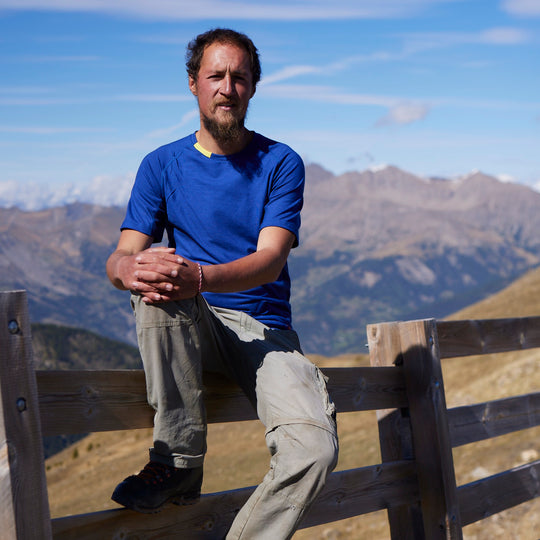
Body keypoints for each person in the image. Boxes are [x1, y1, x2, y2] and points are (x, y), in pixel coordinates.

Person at [106, 28, 338, 539]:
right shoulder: (160, 164)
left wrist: (202, 277)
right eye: (216, 76)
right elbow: (122, 256)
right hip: (194, 322)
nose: (227, 88)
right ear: (194, 84)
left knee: (315, 450)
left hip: (263, 330)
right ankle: (180, 460)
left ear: (253, 88)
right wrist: (129, 269)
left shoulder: (280, 163)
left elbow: (271, 259)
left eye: (239, 78)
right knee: (154, 279)